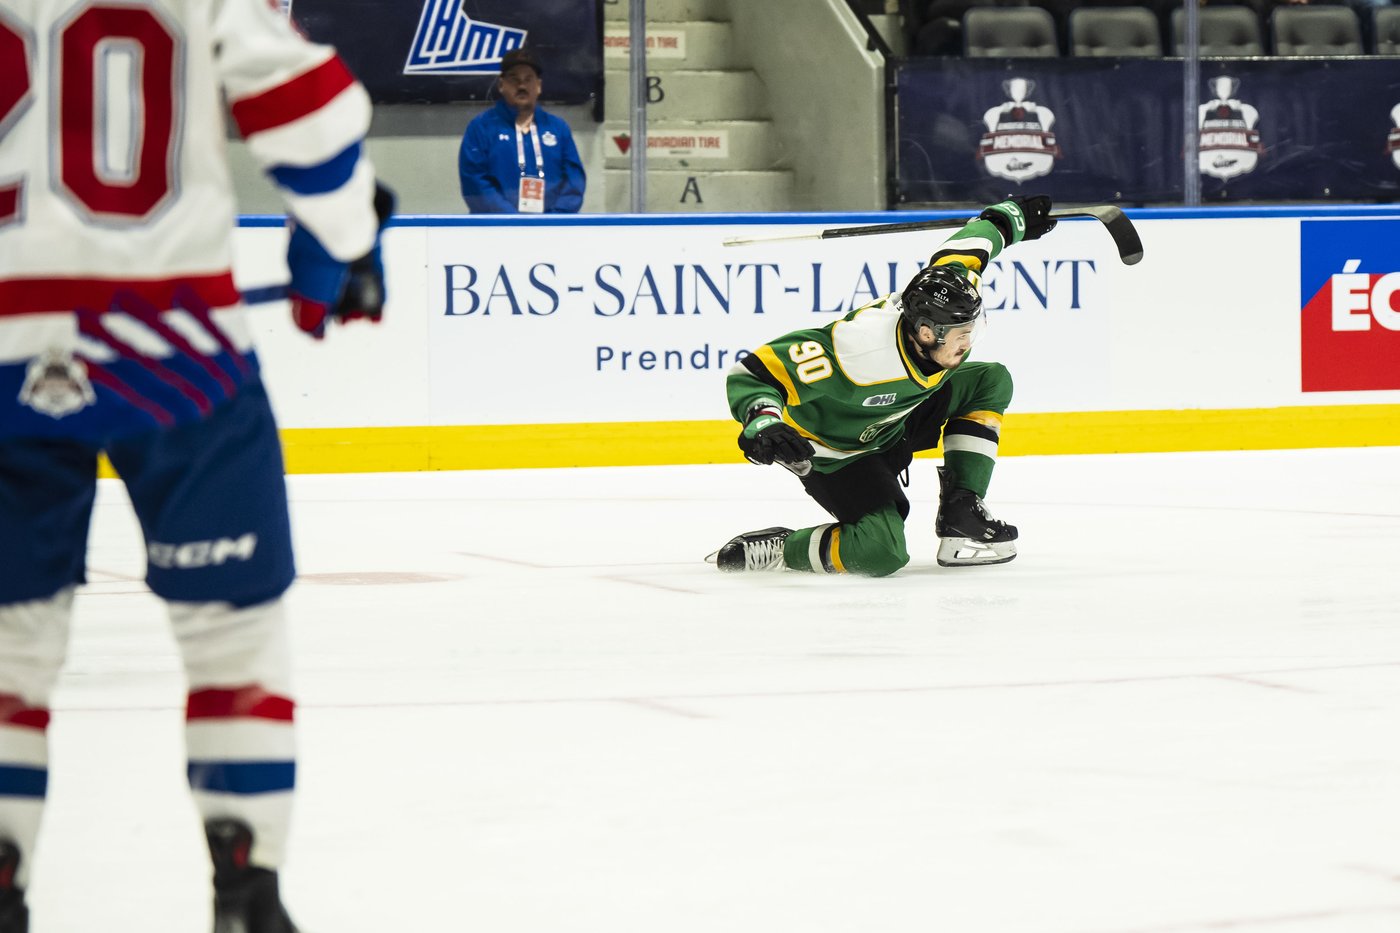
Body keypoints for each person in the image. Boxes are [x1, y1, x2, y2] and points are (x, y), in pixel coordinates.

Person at [0, 1, 392, 930]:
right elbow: (308, 110)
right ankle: (247, 887)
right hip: (176, 349)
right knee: (231, 634)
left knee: (9, 644)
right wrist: (345, 242)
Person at [708, 196, 1057, 577]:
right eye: (961, 334)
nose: (968, 341)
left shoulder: (952, 298)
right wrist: (763, 421)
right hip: (838, 453)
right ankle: (784, 548)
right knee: (881, 552)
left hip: (894, 421)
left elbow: (967, 247)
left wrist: (1007, 220)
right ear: (927, 333)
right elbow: (755, 373)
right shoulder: (859, 350)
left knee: (989, 379)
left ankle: (961, 507)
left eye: (972, 329)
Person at [458, 47, 587, 214]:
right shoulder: (481, 127)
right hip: (497, 227)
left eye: (528, 79)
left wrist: (555, 219)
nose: (522, 86)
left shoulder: (558, 128)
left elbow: (574, 180)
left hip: (551, 227)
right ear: (501, 85)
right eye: (514, 79)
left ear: (538, 86)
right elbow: (474, 182)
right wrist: (513, 220)